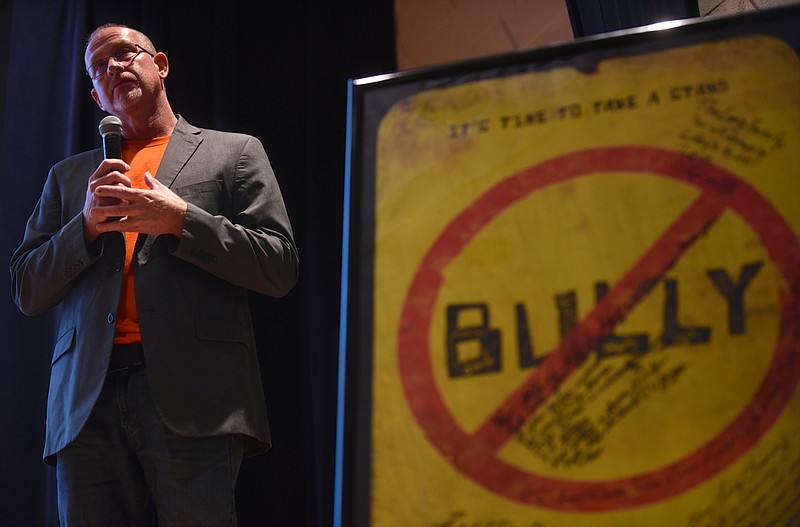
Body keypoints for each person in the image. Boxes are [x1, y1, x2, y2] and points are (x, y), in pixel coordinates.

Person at [9, 23, 299, 526]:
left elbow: (278, 266)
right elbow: (27, 288)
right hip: (85, 403)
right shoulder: (70, 177)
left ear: (160, 64)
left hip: (196, 396)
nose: (112, 68)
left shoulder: (233, 153)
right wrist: (85, 227)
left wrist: (182, 220)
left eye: (123, 53)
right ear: (96, 95)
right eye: (98, 67)